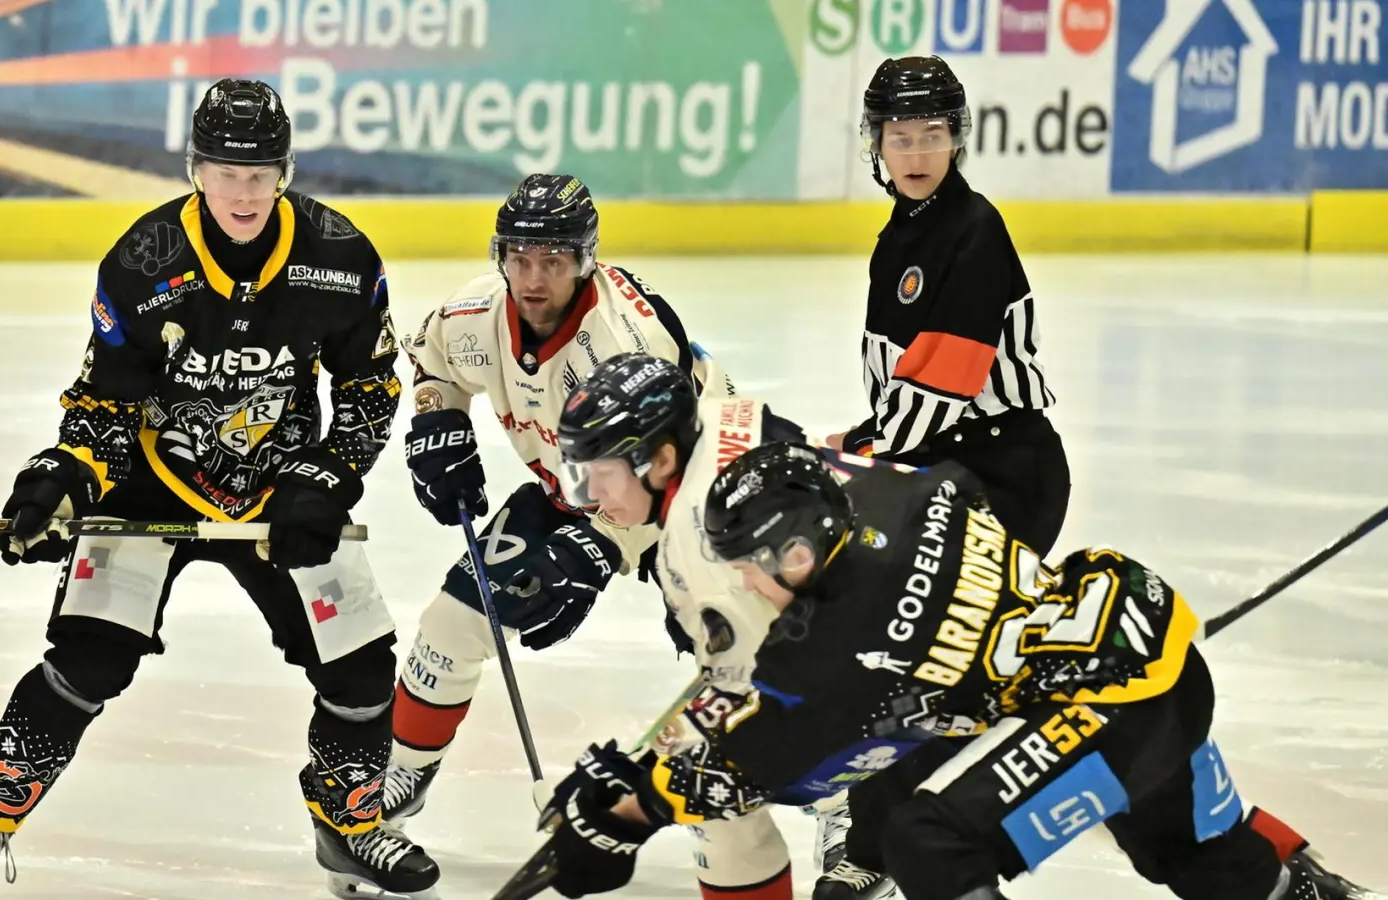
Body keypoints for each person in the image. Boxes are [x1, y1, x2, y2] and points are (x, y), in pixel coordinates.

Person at [0, 79, 437, 900]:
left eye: (260, 173)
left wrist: (326, 477)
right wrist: (64, 477)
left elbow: (370, 385)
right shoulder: (143, 260)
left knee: (362, 668)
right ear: (196, 169)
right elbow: (106, 401)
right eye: (227, 172)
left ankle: (350, 826)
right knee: (88, 659)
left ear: (286, 171)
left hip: (281, 488)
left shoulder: (341, 257)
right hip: (148, 483)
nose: (244, 192)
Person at [517, 440, 1384, 900]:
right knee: (1189, 855)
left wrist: (628, 809)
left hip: (1113, 700)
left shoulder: (841, 642)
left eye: (757, 566)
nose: (747, 584)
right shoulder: (884, 491)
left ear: (801, 547)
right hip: (1137, 645)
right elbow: (928, 480)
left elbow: (761, 766)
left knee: (929, 842)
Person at [385, 171, 725, 819]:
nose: (533, 279)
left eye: (553, 261)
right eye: (519, 259)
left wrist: (598, 550)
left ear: (585, 261)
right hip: (576, 485)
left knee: (742, 658)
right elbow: (433, 360)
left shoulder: (624, 344)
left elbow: (665, 469)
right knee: (453, 623)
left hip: (694, 498)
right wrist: (437, 419)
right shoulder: (474, 314)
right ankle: (403, 771)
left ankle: (841, 809)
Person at [548, 353, 889, 900]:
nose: (594, 496)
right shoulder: (721, 417)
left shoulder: (701, 546)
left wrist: (635, 800)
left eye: (603, 474)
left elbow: (746, 696)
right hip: (921, 592)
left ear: (661, 460)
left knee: (707, 793)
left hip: (905, 670)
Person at [831, 55, 1069, 559]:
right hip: (941, 464)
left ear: (956, 140)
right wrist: (868, 440)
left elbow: (942, 381)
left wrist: (864, 446)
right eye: (901, 139)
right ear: (877, 144)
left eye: (932, 136)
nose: (917, 155)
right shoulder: (897, 239)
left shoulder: (975, 231)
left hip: (1002, 476)